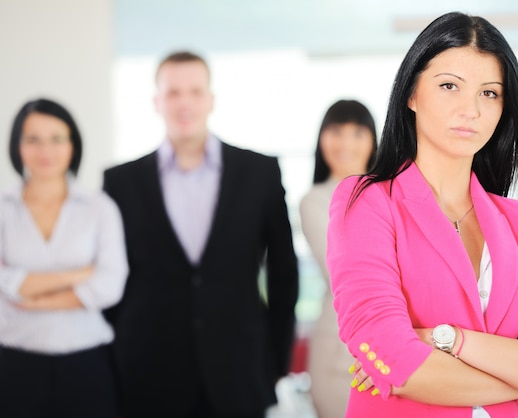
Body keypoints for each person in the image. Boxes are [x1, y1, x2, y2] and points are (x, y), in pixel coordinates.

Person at [326, 12, 518, 418]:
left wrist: (451, 341)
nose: (471, 110)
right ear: (411, 94)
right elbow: (398, 365)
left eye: (489, 93)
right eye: (448, 86)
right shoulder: (366, 203)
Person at [103, 51, 299, 418]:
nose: (184, 103)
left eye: (194, 91)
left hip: (239, 372)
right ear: (156, 102)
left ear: (211, 99)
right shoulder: (120, 183)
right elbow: (111, 278)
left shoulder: (260, 173)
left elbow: (284, 273)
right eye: (173, 92)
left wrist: (275, 359)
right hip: (146, 373)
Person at [0, 98, 128, 418]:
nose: (46, 150)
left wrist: (32, 295)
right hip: (14, 362)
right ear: (17, 146)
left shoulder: (100, 207)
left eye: (57, 138)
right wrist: (76, 275)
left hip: (87, 362)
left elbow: (110, 284)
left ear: (73, 145)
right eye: (33, 139)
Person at [299, 99, 377, 418]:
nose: (346, 142)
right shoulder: (315, 201)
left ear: (374, 140)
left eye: (357, 132)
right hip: (338, 354)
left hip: (399, 343)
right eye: (336, 132)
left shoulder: (393, 192)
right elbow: (343, 271)